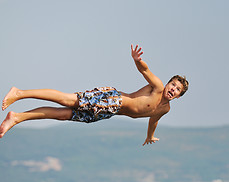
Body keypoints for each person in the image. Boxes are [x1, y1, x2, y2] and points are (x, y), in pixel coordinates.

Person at [0, 45, 189, 145]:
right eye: (172, 84)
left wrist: (150, 136)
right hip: (110, 99)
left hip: (108, 112)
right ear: (167, 84)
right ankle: (20, 93)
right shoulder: (156, 87)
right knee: (67, 99)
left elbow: (153, 119)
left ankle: (17, 118)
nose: (172, 89)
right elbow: (145, 70)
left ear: (179, 96)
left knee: (64, 114)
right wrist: (137, 60)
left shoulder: (165, 109)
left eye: (177, 89)